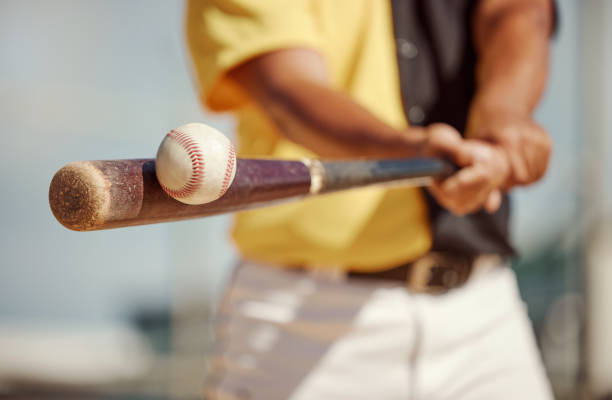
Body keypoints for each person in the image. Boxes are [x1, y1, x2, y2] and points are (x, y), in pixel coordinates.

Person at [186, 0, 555, 398]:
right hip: (304, 318)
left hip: (483, 309)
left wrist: (507, 111)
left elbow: (517, 10)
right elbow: (289, 89)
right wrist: (406, 149)